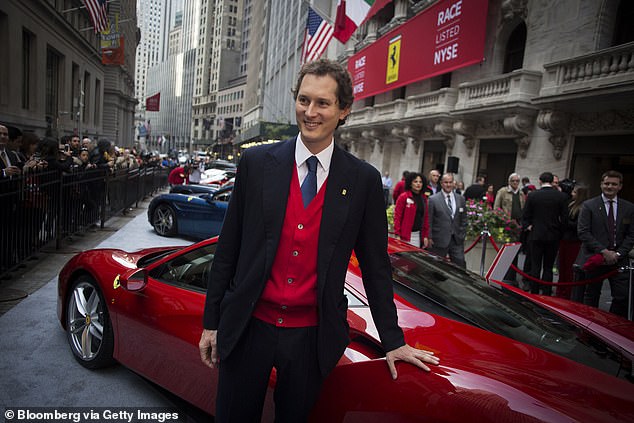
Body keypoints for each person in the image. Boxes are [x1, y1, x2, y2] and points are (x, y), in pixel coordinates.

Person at [198, 59, 439, 422]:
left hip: (311, 340)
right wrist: (212, 321)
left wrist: (393, 339)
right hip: (247, 328)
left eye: (322, 103)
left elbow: (375, 267)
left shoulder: (363, 181)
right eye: (303, 100)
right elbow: (228, 247)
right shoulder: (256, 163)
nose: (310, 112)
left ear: (344, 110)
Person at [575, 170, 634, 318]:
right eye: (607, 183)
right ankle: (590, 328)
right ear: (601, 184)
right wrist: (603, 251)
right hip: (595, 258)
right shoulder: (589, 205)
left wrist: (619, 253)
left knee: (622, 296)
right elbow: (583, 232)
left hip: (619, 260)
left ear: (620, 186)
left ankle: (611, 328)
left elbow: (631, 234)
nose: (610, 187)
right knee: (591, 296)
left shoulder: (629, 208)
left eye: (614, 184)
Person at [521, 172, 568, 295]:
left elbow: (525, 215)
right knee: (548, 266)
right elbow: (564, 218)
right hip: (553, 235)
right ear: (552, 181)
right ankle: (546, 292)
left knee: (535, 265)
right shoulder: (561, 196)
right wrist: (560, 232)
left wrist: (529, 227)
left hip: (536, 234)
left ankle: (534, 291)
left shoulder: (533, 196)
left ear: (540, 181)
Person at [427, 172, 467, 267]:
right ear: (441, 183)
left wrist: (462, 234)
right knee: (436, 267)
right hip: (439, 240)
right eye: (446, 182)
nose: (448, 185)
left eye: (450, 182)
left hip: (456, 240)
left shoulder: (461, 199)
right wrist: (429, 237)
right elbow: (429, 220)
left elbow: (464, 219)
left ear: (454, 183)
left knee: (460, 266)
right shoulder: (433, 199)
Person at [494, 173, 526, 284]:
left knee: (515, 250)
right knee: (504, 250)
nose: (516, 183)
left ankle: (512, 275)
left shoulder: (521, 194)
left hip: (517, 226)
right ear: (509, 181)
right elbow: (497, 208)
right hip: (506, 224)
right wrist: (504, 220)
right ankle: (502, 274)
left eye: (518, 181)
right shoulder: (503, 192)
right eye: (513, 181)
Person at [558, 184, 588, 300]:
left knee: (570, 269)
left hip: (574, 242)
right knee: (563, 267)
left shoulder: (582, 208)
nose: (572, 194)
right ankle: (562, 291)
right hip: (566, 240)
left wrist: (563, 222)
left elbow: (579, 226)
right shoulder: (572, 204)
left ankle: (567, 293)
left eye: (574, 192)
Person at [393, 172, 429, 248]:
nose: (418, 184)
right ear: (410, 183)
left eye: (420, 182)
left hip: (418, 235)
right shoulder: (403, 197)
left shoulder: (424, 198)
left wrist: (425, 236)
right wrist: (397, 234)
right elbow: (397, 217)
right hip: (405, 236)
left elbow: (425, 218)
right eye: (415, 181)